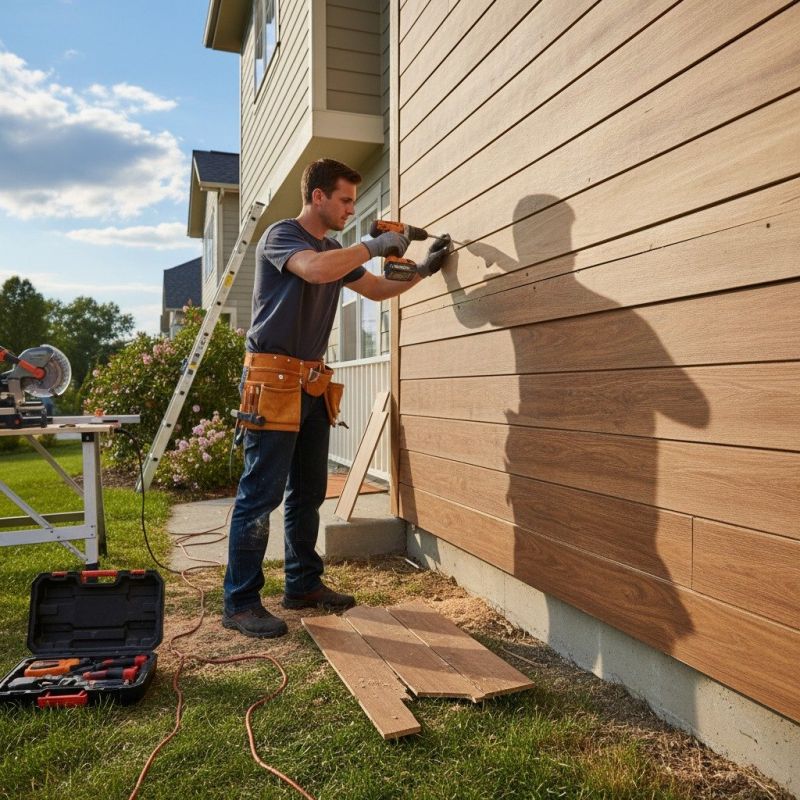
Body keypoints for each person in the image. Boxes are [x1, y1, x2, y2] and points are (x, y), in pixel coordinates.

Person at [222, 158, 450, 638]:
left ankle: (303, 585)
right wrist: (370, 245)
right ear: (318, 197)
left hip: (311, 383)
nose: (351, 208)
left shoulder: (333, 249)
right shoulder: (284, 237)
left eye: (353, 200)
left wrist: (424, 271)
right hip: (273, 379)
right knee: (259, 495)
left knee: (307, 493)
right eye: (345, 199)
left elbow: (376, 289)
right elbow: (314, 270)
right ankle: (240, 603)